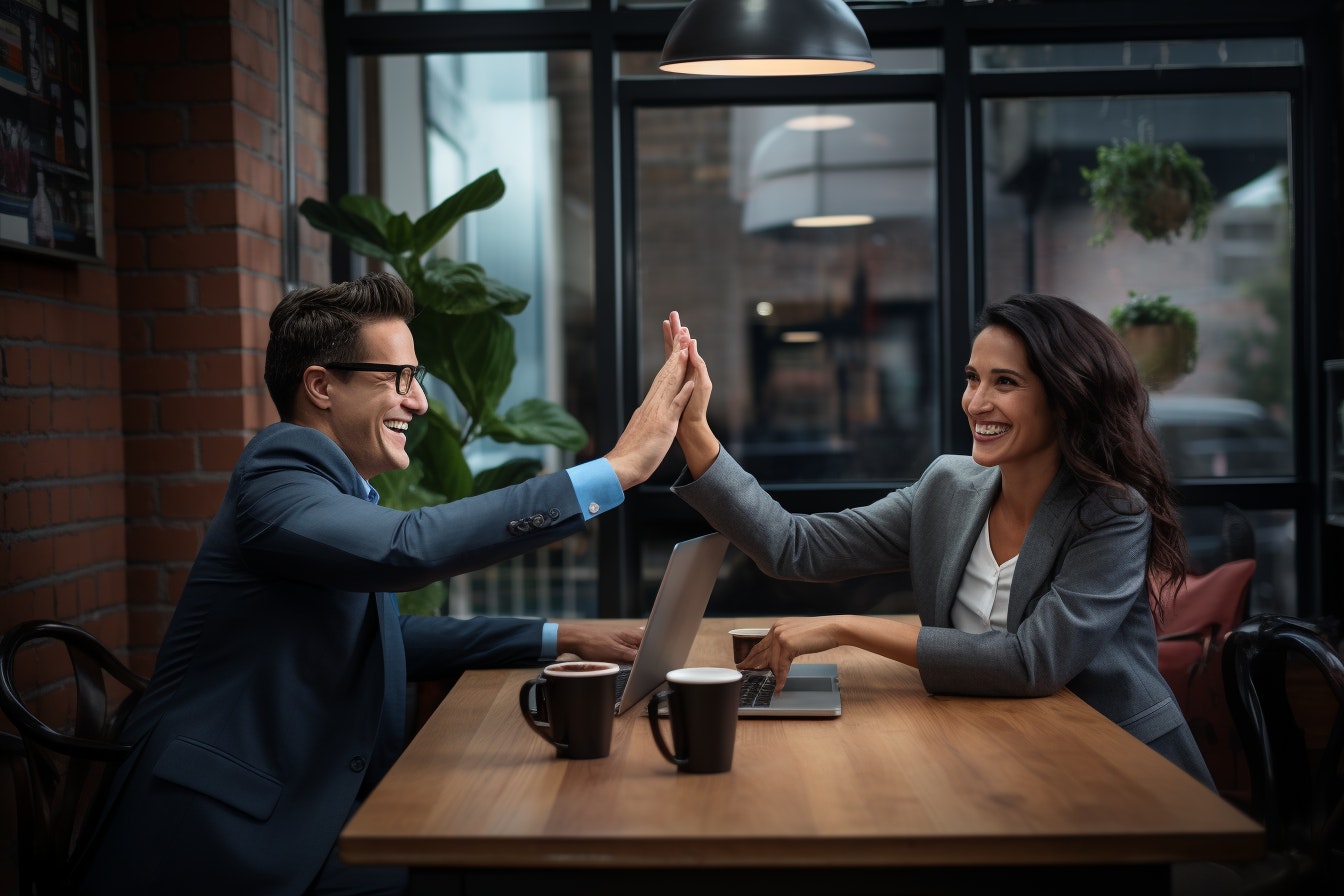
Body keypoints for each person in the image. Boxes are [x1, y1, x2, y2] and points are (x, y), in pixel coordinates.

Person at [81, 272, 697, 895]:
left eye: (416, 378)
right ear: (320, 386)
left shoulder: (328, 490)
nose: (419, 401)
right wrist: (613, 472)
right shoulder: (278, 470)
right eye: (396, 378)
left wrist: (560, 636)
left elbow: (384, 634)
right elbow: (409, 548)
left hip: (296, 813)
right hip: (219, 840)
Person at [665, 294, 1216, 789]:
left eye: (1006, 382)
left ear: (1066, 398)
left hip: (1118, 764)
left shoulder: (1111, 513)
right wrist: (695, 430)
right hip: (993, 750)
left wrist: (846, 628)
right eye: (972, 378)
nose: (976, 403)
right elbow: (795, 546)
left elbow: (1033, 662)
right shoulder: (947, 487)